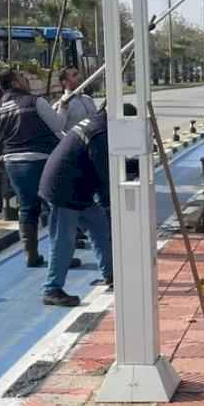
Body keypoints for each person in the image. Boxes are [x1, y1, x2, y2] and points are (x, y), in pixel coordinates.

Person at [37, 103, 135, 306]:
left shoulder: (99, 123)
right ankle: (52, 289)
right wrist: (111, 206)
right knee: (64, 240)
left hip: (78, 187)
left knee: (100, 229)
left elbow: (106, 165)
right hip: (63, 190)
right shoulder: (100, 132)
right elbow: (104, 173)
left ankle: (112, 275)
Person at [0, 68, 66, 267]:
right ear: (15, 83)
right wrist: (63, 108)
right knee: (53, 206)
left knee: (27, 208)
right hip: (42, 160)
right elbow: (58, 126)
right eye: (23, 78)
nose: (27, 79)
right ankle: (60, 257)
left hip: (14, 165)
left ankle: (30, 255)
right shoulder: (35, 102)